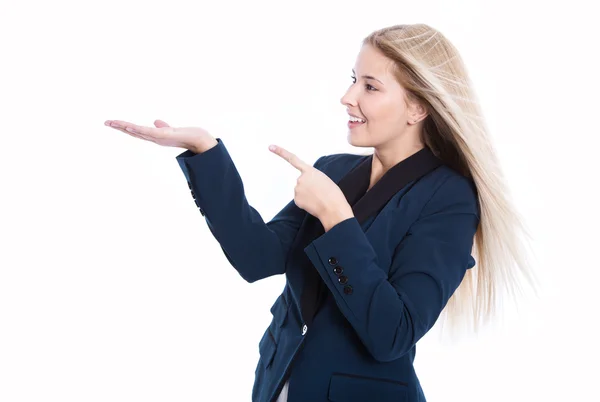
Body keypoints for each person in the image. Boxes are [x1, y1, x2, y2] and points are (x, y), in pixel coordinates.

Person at [104, 23, 536, 402]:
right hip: (278, 385)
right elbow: (257, 258)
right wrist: (206, 151)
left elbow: (393, 333)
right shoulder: (334, 169)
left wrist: (337, 219)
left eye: (370, 86)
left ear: (418, 107)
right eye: (353, 80)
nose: (347, 97)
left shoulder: (449, 198)